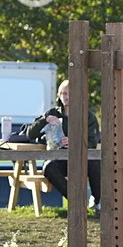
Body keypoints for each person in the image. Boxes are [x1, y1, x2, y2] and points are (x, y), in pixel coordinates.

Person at [26, 80, 102, 214]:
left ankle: (98, 203)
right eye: (64, 93)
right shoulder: (52, 113)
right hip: (58, 159)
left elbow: (92, 142)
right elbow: (30, 133)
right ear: (59, 95)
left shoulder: (88, 116)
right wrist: (45, 120)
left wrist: (75, 143)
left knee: (96, 162)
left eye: (71, 93)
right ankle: (77, 203)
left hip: (80, 159)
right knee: (48, 167)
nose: (67, 97)